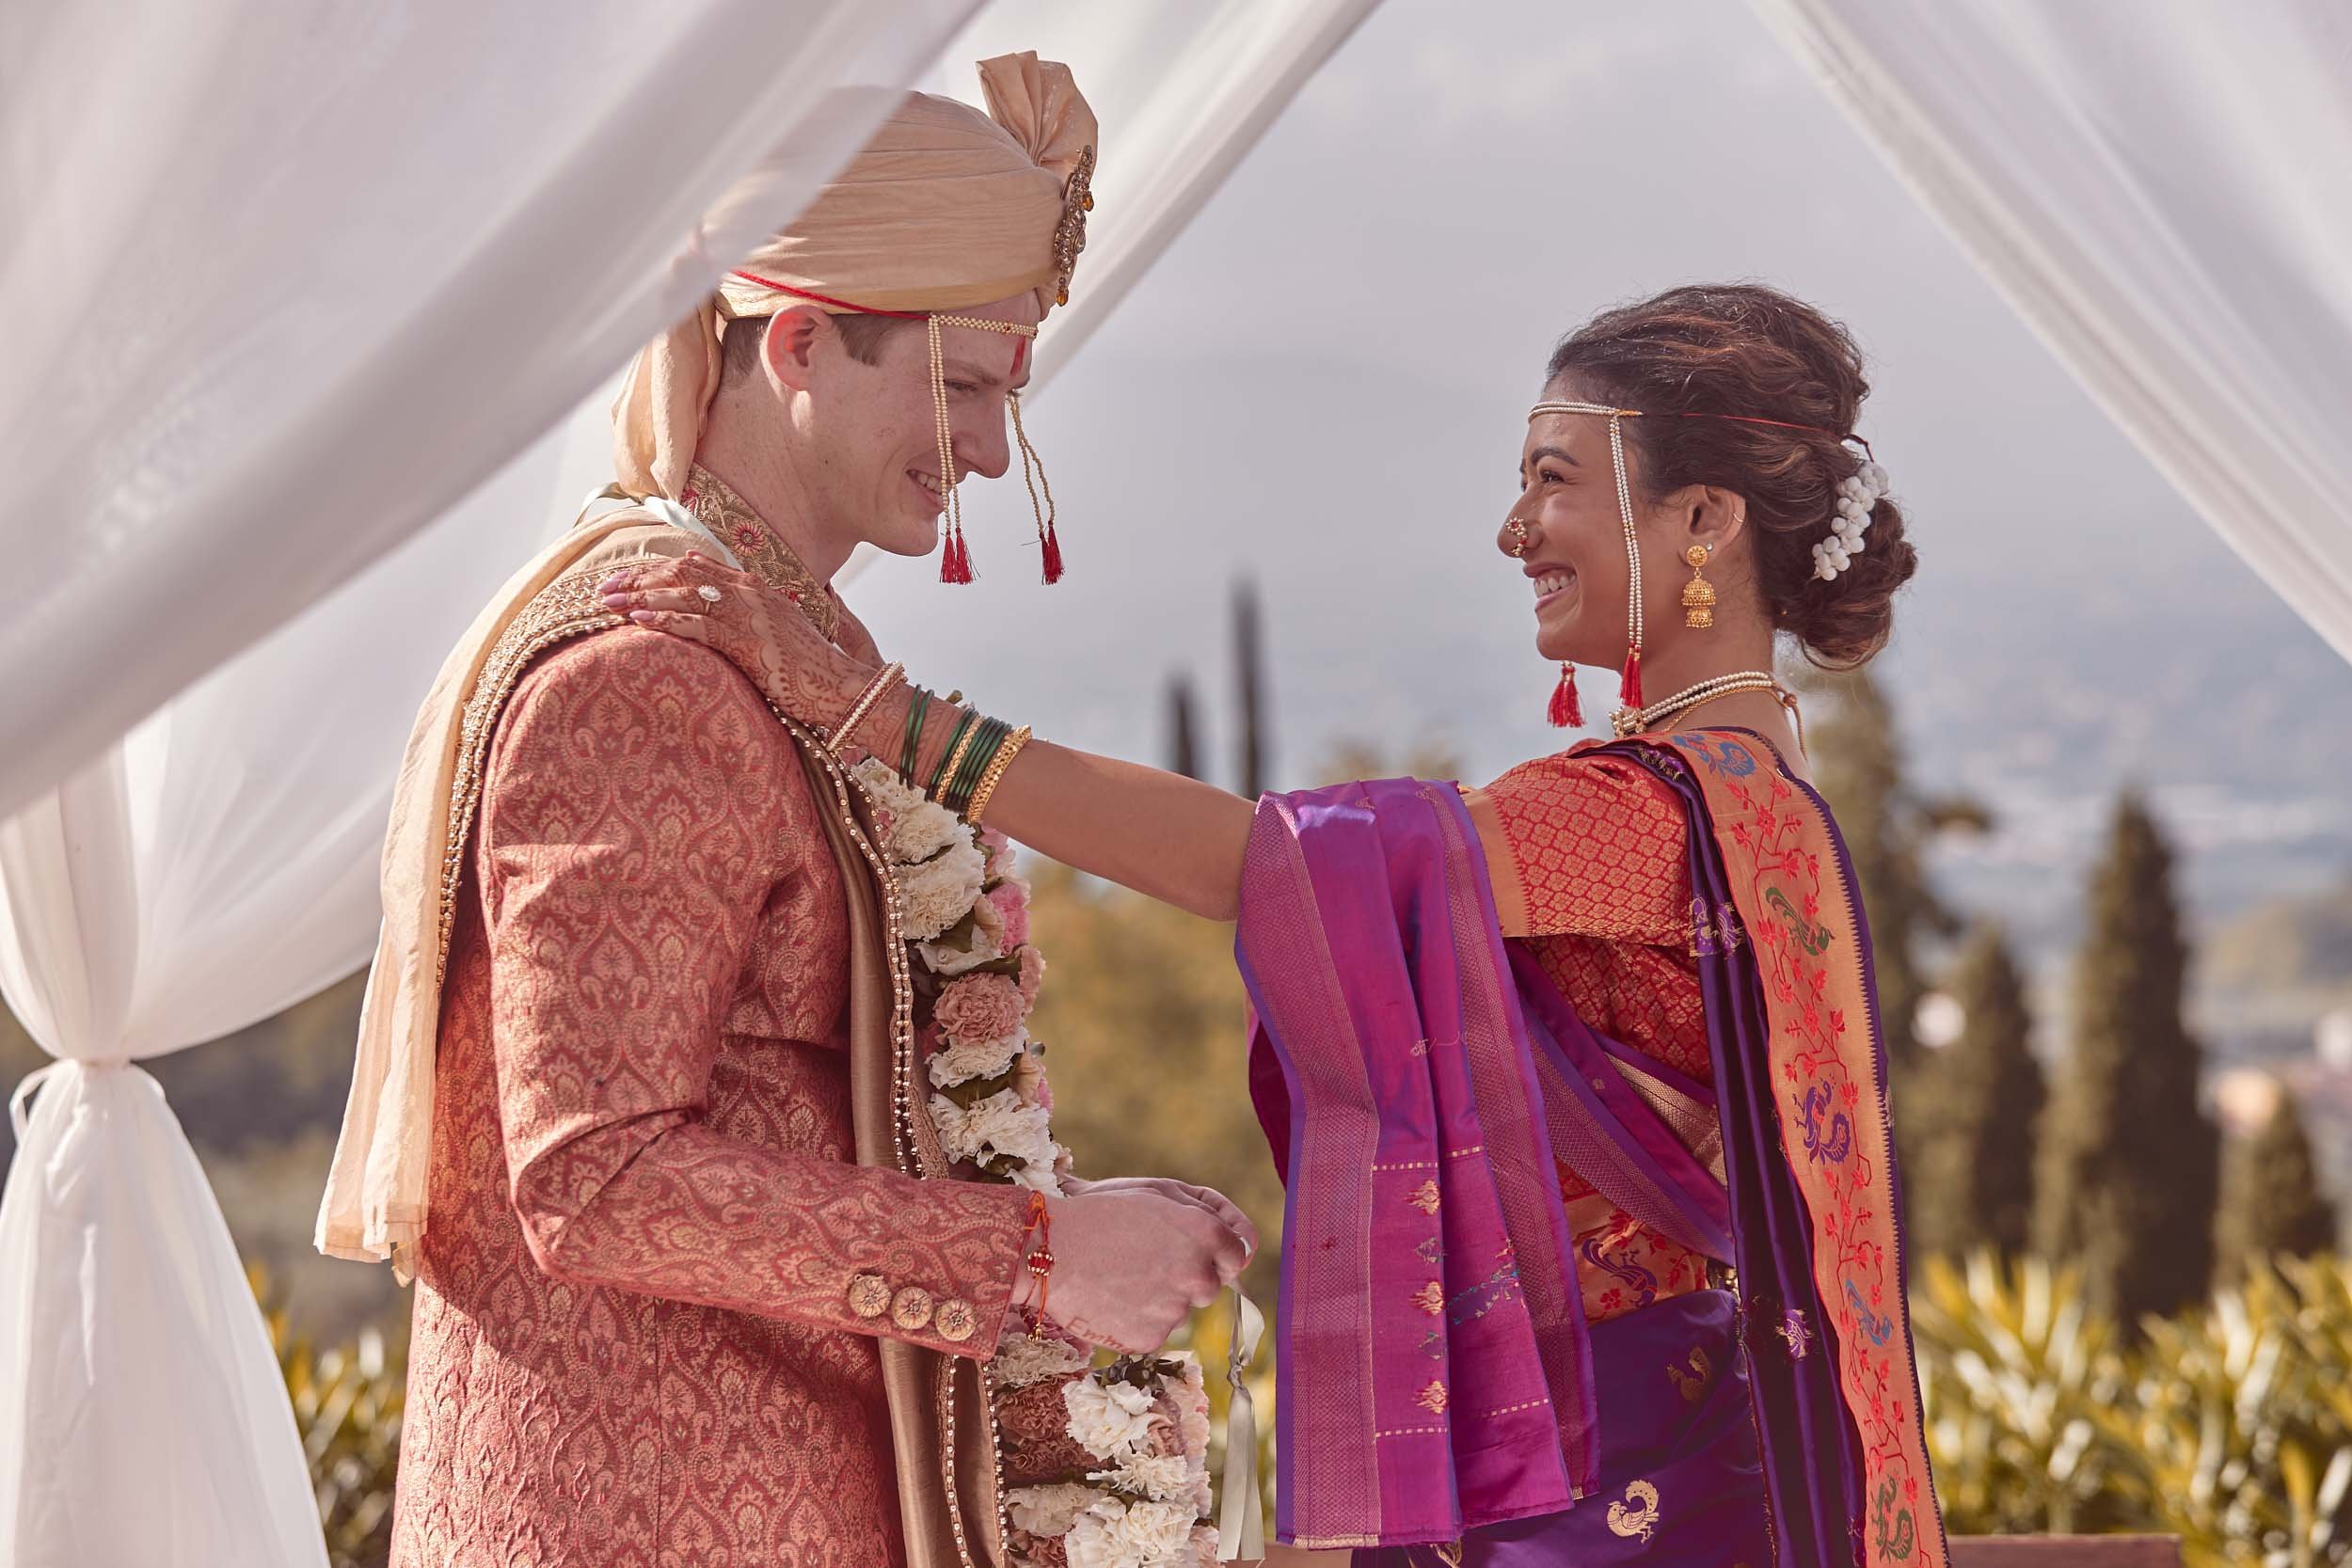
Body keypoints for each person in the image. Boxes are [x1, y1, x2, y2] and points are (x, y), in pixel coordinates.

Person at [604, 282, 1953, 1567]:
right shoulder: (1751, 803)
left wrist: (886, 721)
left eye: (1552, 479)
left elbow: (1272, 869)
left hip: (1610, 1481)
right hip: (1665, 1442)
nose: (1512, 529)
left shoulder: (1644, 818)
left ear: (1704, 518)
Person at [314, 55, 1251, 1568]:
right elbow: (593, 1176)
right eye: (957, 386)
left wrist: (1059, 1220)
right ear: (801, 342)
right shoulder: (641, 678)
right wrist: (1031, 1259)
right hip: (644, 1518)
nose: (989, 452)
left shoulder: (782, 651)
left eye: (1006, 397)